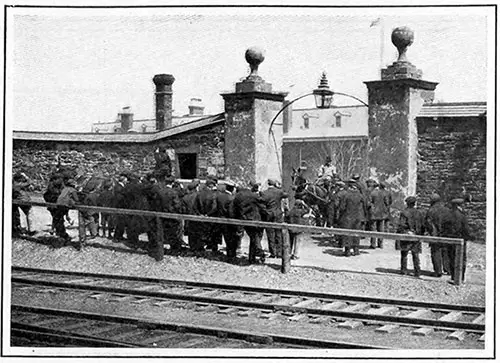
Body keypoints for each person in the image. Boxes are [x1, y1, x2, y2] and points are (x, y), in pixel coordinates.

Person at [233, 181, 267, 264]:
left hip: (242, 219)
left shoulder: (237, 196)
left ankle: (252, 257)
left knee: (252, 237)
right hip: (253, 219)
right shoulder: (253, 195)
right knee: (255, 237)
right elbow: (263, 202)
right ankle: (258, 252)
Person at [444, 198, 472, 283]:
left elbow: (445, 227)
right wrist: (467, 238)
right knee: (461, 259)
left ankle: (453, 276)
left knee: (452, 258)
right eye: (462, 205)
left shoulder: (448, 215)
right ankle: (461, 278)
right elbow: (466, 229)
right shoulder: (462, 216)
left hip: (451, 239)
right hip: (460, 239)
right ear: (458, 206)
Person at [396, 196, 425, 278]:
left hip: (406, 234)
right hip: (416, 234)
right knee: (415, 254)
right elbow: (422, 225)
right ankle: (417, 271)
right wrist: (420, 234)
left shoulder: (404, 212)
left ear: (407, 203)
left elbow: (402, 224)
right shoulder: (419, 213)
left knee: (404, 253)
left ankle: (404, 270)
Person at [260, 178, 289, 259]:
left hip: (268, 215)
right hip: (278, 215)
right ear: (274, 184)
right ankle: (279, 253)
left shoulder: (264, 193)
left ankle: (273, 252)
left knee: (270, 234)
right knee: (278, 234)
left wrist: (266, 211)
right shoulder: (279, 192)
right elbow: (286, 194)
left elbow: (261, 203)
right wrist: (280, 187)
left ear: (268, 184)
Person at [425, 193, 452, 277]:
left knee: (435, 252)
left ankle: (438, 271)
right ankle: (448, 270)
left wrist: (430, 232)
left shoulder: (431, 210)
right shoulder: (446, 210)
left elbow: (428, 223)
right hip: (445, 234)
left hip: (435, 234)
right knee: (446, 252)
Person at [337, 179, 366, 257]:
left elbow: (342, 207)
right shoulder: (360, 195)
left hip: (347, 217)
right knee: (356, 233)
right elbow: (365, 206)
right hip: (358, 217)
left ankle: (347, 251)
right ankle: (356, 250)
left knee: (347, 233)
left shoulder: (346, 195)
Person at [216, 180, 242, 261]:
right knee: (231, 241)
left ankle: (229, 255)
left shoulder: (219, 196)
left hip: (220, 220)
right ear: (232, 189)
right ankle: (231, 257)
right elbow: (231, 212)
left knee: (226, 239)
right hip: (229, 222)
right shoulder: (231, 198)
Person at [194, 176, 220, 253]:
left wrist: (200, 214)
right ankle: (213, 250)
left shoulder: (199, 194)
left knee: (203, 234)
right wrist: (208, 214)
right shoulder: (214, 195)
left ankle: (202, 250)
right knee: (212, 235)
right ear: (212, 185)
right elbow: (215, 207)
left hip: (201, 218)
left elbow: (195, 206)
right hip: (211, 218)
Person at [55, 178, 79, 244]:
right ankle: (63, 235)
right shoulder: (72, 190)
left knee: (59, 219)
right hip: (65, 204)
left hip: (59, 204)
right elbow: (76, 199)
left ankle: (61, 234)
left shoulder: (64, 189)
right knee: (61, 219)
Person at [369, 181, 391, 249]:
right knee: (381, 229)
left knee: (373, 229)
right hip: (382, 213)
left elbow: (369, 202)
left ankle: (373, 244)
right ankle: (380, 244)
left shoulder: (373, 193)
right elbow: (388, 203)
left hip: (374, 213)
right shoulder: (386, 193)